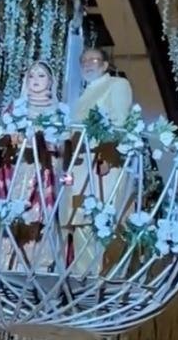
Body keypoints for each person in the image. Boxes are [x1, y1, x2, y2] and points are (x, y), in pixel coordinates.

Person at [60, 47, 133, 275]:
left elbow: (120, 122)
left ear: (104, 65)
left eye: (93, 60)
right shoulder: (83, 93)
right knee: (78, 222)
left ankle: (96, 279)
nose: (87, 64)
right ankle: (80, 277)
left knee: (96, 221)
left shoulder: (117, 85)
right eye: (83, 61)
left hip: (101, 164)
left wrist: (108, 157)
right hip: (80, 166)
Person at [0, 61, 63, 271]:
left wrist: (44, 141)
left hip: (42, 171)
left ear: (50, 81)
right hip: (15, 170)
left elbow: (63, 144)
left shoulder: (57, 111)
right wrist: (8, 136)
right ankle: (2, 262)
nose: (36, 81)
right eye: (32, 76)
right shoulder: (14, 107)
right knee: (9, 214)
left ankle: (33, 265)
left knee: (37, 215)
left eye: (41, 76)